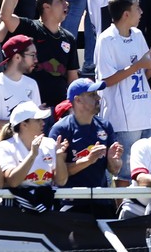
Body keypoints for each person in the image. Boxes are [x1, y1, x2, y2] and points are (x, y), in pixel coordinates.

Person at [95, 0, 151, 187]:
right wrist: (139, 65)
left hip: (145, 111)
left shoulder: (137, 34)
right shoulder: (106, 39)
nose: (141, 12)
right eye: (137, 8)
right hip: (122, 118)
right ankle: (123, 216)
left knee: (149, 169)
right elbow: (106, 80)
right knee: (124, 173)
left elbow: (143, 74)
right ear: (126, 14)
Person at [0, 0, 79, 111]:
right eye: (61, 0)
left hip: (59, 111)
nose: (66, 4)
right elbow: (6, 17)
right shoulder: (29, 28)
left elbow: (73, 78)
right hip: (30, 110)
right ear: (46, 7)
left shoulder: (69, 39)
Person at [48, 78, 122, 216]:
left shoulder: (105, 126)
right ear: (78, 100)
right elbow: (57, 175)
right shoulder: (61, 129)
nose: (98, 97)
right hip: (71, 204)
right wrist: (87, 160)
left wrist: (114, 161)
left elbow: (114, 170)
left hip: (102, 201)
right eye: (92, 94)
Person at [0, 101, 68, 194]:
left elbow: (61, 181)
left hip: (46, 205)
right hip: (17, 207)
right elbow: (13, 182)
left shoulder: (50, 143)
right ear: (24, 125)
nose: (43, 123)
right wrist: (32, 155)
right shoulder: (5, 146)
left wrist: (59, 157)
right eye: (38, 120)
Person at [0, 34, 41, 133]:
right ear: (17, 57)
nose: (36, 60)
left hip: (29, 147)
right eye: (32, 55)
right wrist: (18, 125)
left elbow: (36, 119)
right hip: (5, 147)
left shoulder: (32, 84)